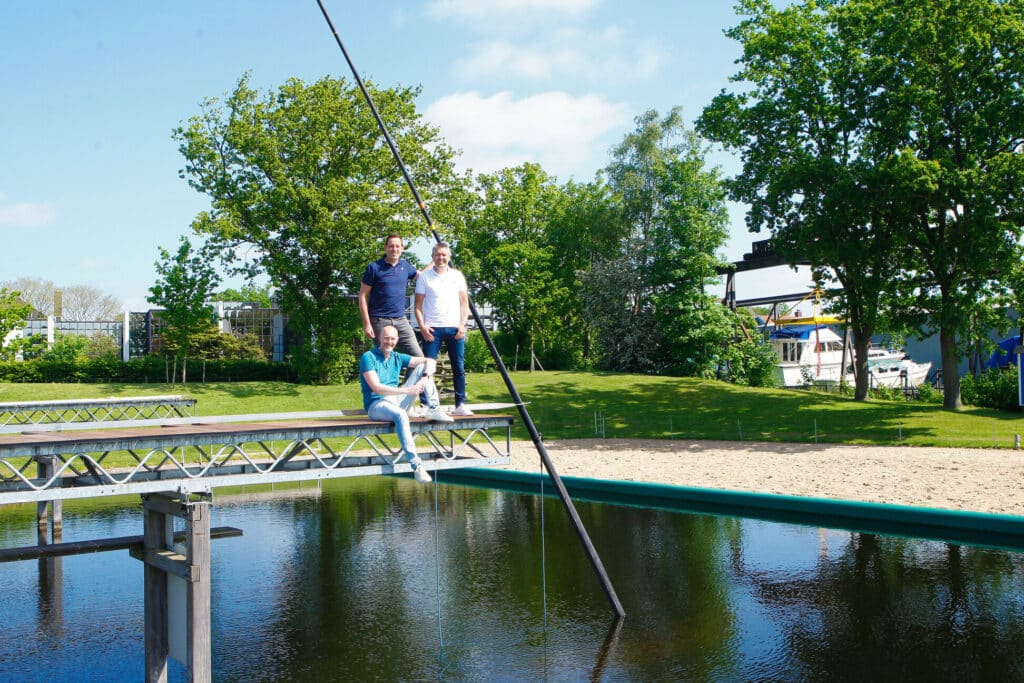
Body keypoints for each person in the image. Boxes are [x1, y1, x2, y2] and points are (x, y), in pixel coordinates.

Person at [358, 325, 453, 484]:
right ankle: (416, 466)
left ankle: (434, 408)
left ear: (397, 340)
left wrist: (424, 377)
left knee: (424, 366)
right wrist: (407, 390)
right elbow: (377, 388)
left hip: (396, 400)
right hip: (377, 405)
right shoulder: (368, 357)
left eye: (393, 338)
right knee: (401, 414)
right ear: (380, 338)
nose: (389, 341)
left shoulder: (397, 357)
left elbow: (429, 360)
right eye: (386, 338)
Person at [415, 241, 473, 416]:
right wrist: (422, 327)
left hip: (454, 329)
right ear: (433, 257)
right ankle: (426, 405)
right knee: (428, 368)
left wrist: (463, 325)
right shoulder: (425, 278)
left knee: (458, 367)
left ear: (449, 257)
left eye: (444, 255)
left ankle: (460, 404)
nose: (441, 258)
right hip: (433, 329)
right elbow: (418, 306)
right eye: (438, 255)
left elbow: (464, 303)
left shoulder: (457, 276)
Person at [358, 233, 423, 356]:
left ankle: (408, 376)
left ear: (402, 248)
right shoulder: (374, 268)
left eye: (398, 246)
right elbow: (362, 295)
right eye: (391, 246)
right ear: (385, 247)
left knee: (418, 358)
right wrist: (367, 323)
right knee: (382, 358)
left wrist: (436, 260)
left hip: (401, 319)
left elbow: (423, 277)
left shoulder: (405, 266)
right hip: (379, 320)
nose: (395, 249)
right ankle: (377, 376)